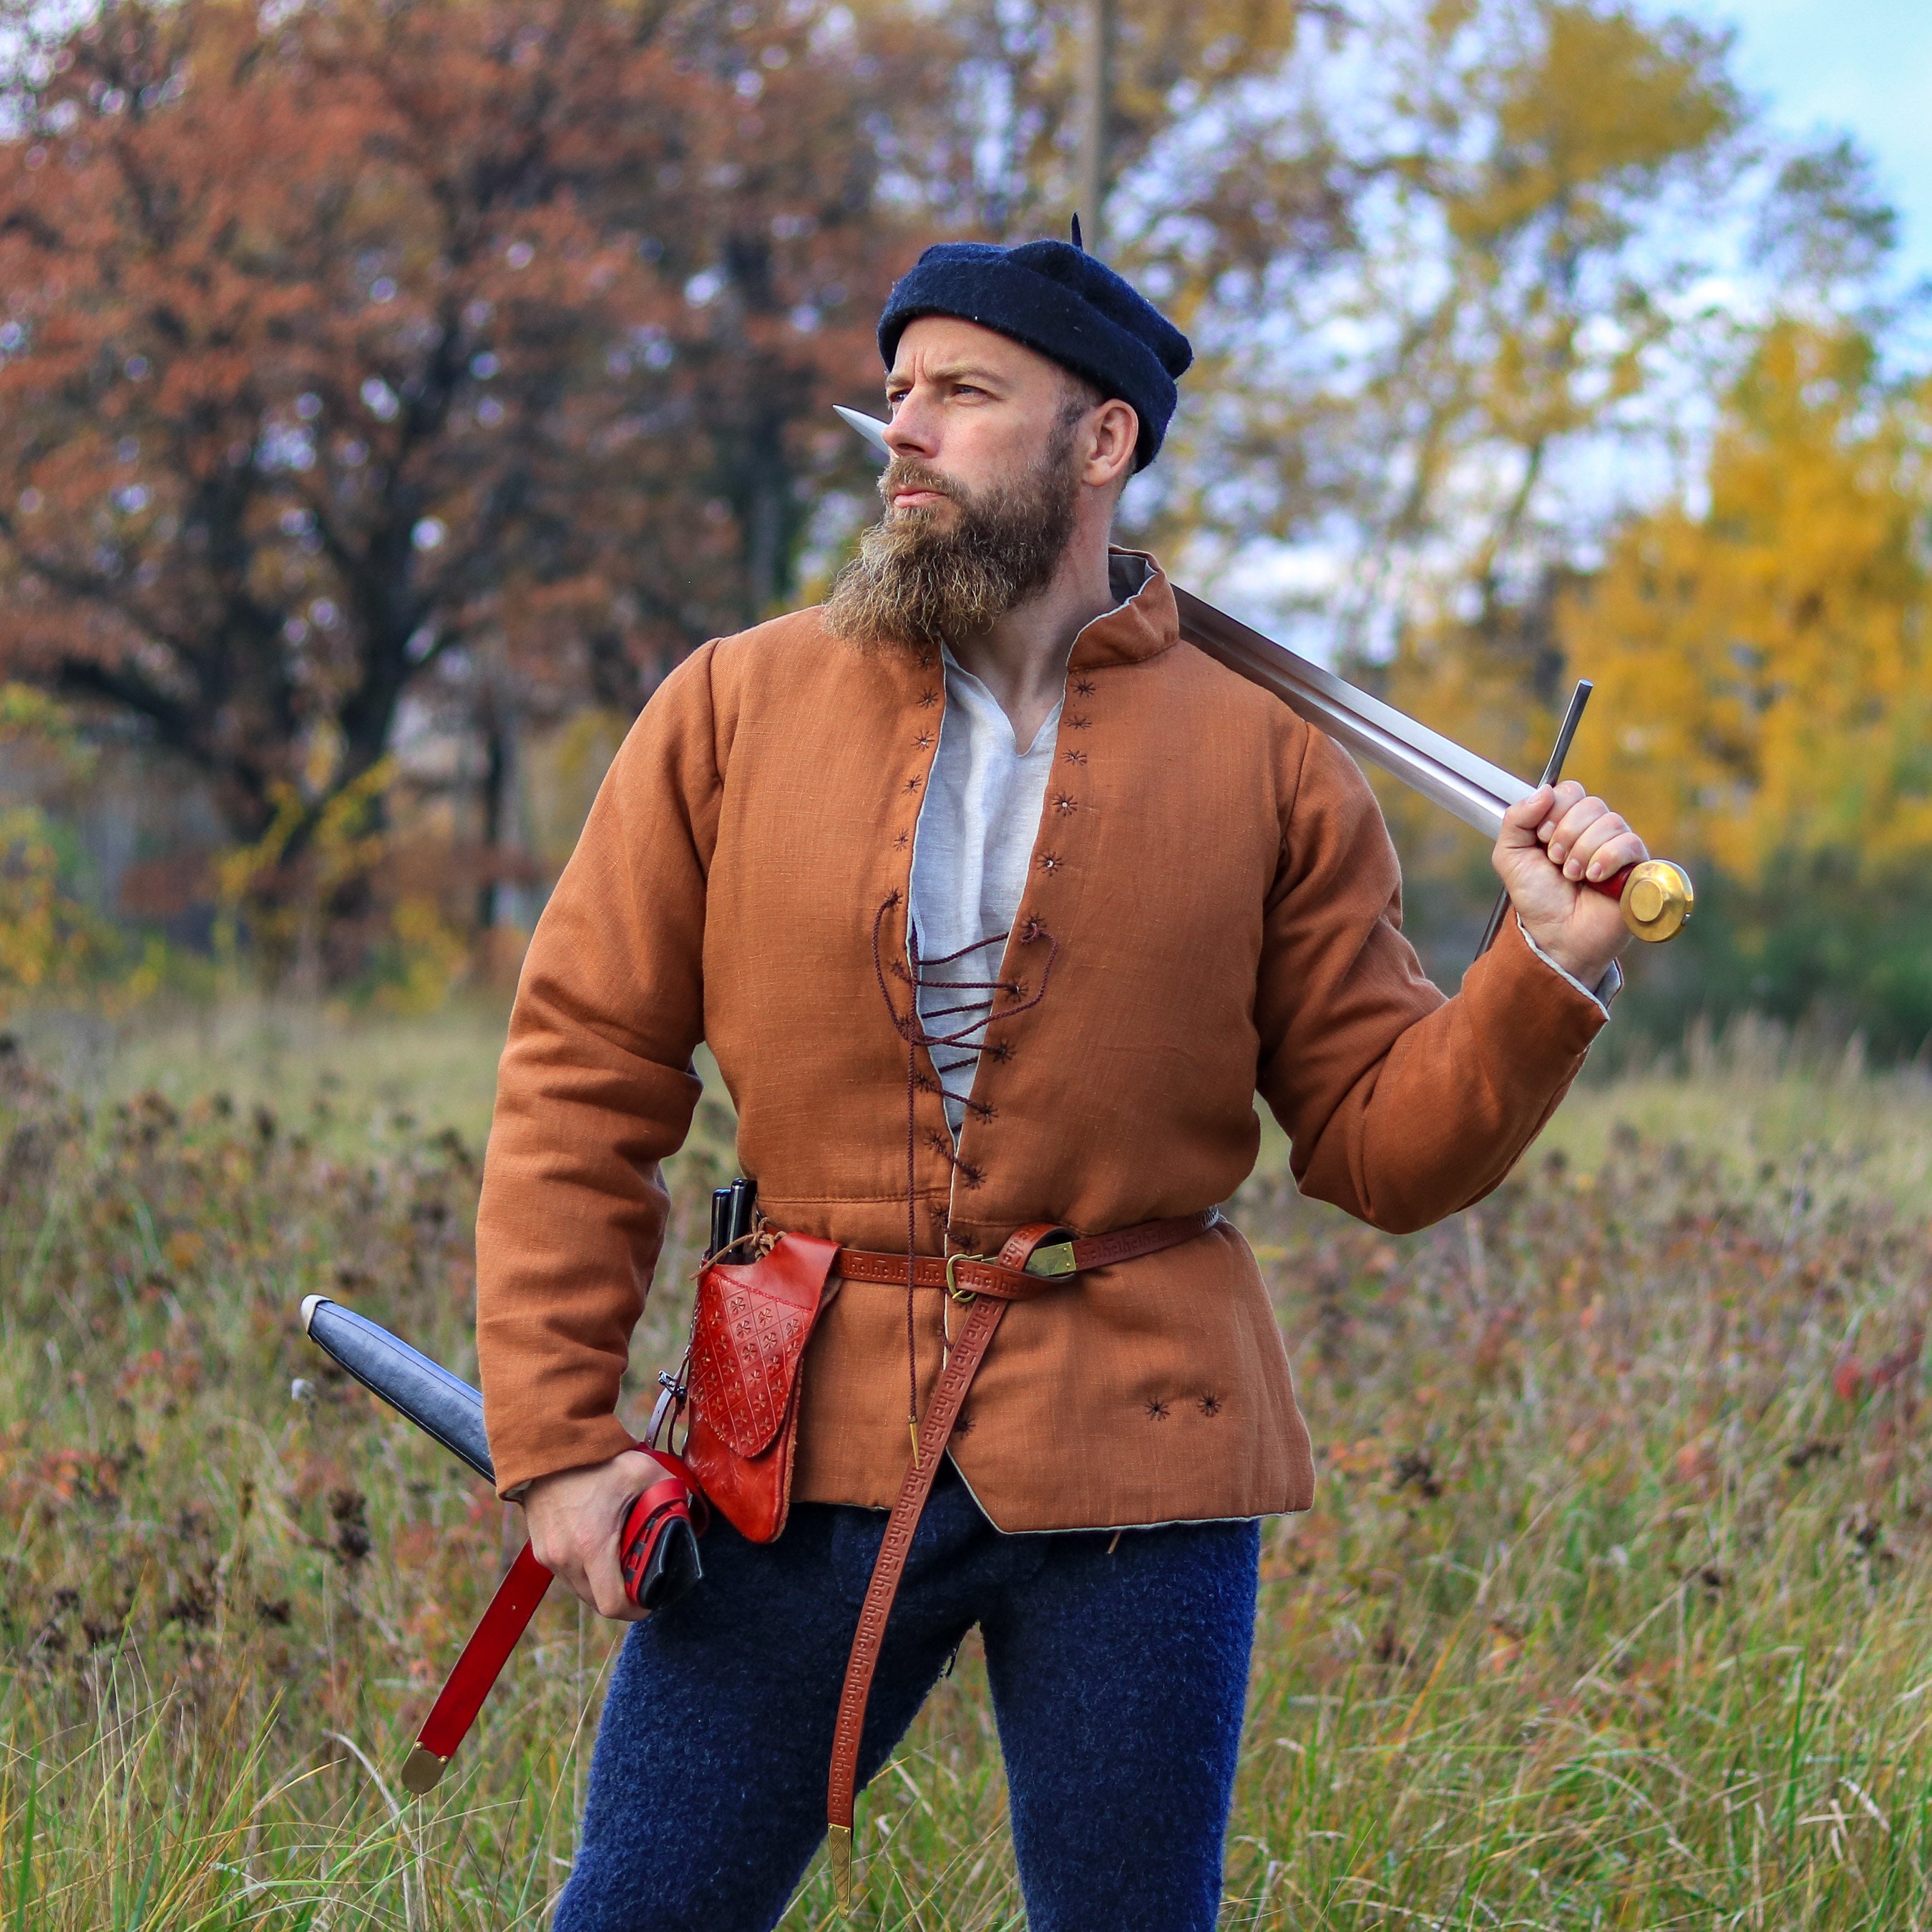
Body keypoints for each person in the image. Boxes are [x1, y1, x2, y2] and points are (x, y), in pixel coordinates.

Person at [473, 232, 1644, 1932]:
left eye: (964, 393)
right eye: (898, 394)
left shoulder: (1271, 761)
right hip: (789, 1419)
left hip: (1147, 1448)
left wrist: (1545, 967)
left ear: (1103, 443)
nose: (906, 431)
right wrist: (563, 1441)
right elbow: (585, 1074)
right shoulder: (732, 708)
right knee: (642, 1910)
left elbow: (1386, 1147)